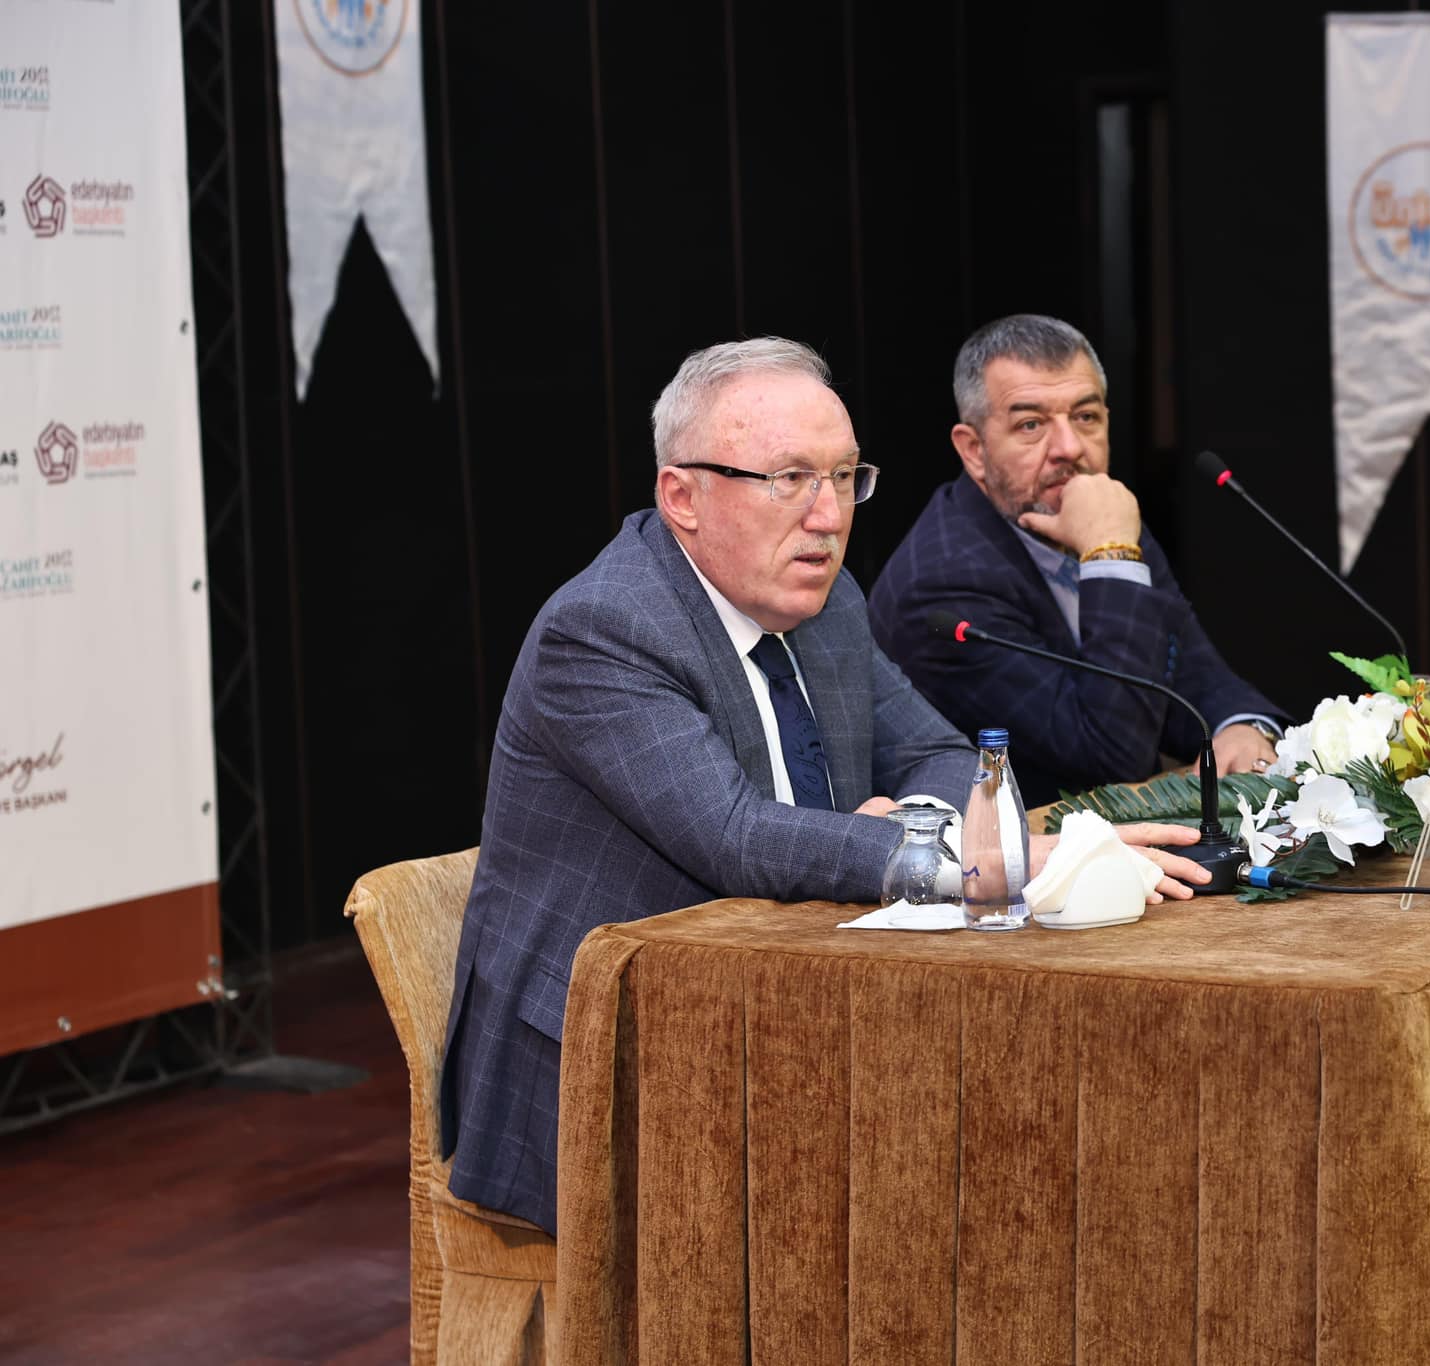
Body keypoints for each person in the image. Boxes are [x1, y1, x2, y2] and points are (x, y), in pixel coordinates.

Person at [439, 338, 1207, 1234]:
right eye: (790, 479)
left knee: (1023, 1154)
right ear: (682, 495)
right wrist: (977, 858)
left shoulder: (826, 597)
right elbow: (737, 836)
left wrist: (915, 825)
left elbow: (941, 753)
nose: (827, 515)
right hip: (608, 1074)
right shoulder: (604, 632)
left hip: (781, 1014)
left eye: (845, 478)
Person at [868, 314, 1284, 808]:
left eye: (1086, 417)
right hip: (1009, 865)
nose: (1070, 449)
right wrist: (1111, 554)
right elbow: (1112, 756)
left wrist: (1241, 726)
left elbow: (1193, 671)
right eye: (1031, 424)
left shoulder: (1097, 518)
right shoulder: (942, 584)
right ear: (974, 450)